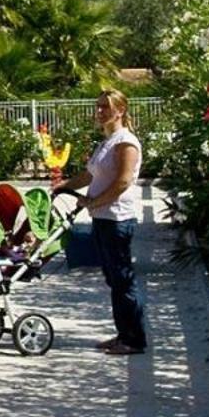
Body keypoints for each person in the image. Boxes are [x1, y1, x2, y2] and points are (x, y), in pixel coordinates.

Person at [58, 90, 145, 354]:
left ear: (120, 110)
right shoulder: (106, 142)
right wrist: (64, 186)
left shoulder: (126, 143)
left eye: (105, 107)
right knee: (113, 279)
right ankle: (123, 334)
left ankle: (134, 340)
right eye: (97, 107)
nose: (99, 112)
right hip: (103, 218)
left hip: (117, 219)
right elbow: (89, 175)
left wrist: (93, 202)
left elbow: (122, 181)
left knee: (122, 280)